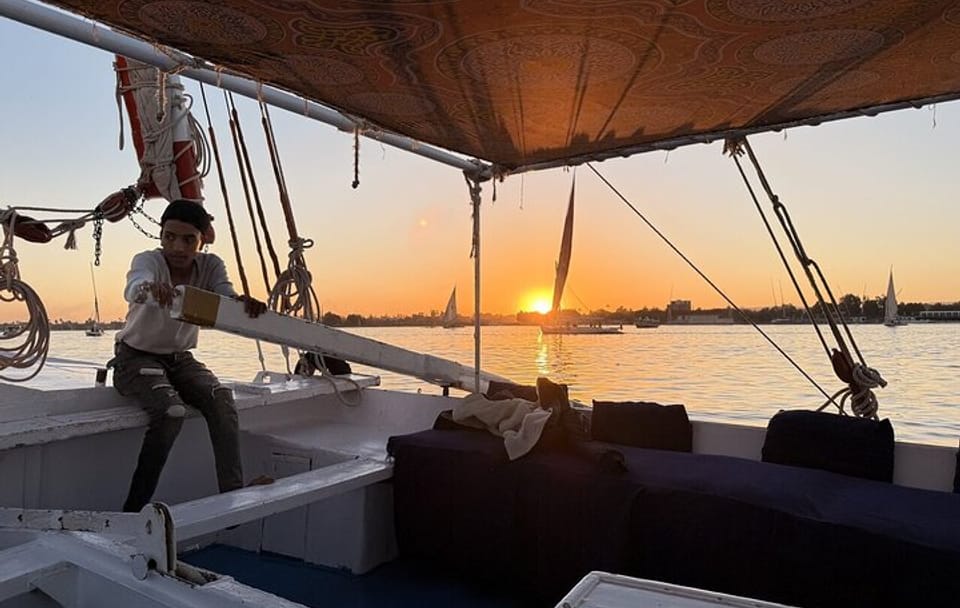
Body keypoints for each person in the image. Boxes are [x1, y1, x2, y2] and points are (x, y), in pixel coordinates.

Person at [111, 199, 267, 512]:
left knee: (222, 399)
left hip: (179, 358)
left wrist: (240, 303)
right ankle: (133, 511)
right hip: (135, 358)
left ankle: (233, 498)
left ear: (202, 240)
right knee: (171, 412)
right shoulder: (149, 261)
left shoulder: (210, 266)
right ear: (161, 235)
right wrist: (152, 289)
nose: (177, 247)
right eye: (169, 237)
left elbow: (223, 292)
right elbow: (134, 286)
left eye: (187, 239)